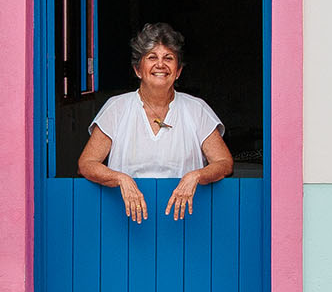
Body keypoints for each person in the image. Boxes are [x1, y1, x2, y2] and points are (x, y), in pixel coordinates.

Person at [79, 22, 235, 220]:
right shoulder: (117, 108)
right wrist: (119, 178)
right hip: (124, 217)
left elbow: (224, 163)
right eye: (152, 57)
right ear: (138, 69)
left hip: (186, 218)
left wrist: (196, 175)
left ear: (178, 71)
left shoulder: (197, 109)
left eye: (168, 58)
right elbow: (86, 164)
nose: (160, 64)